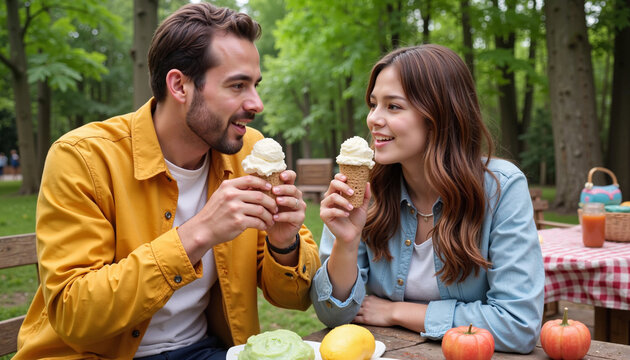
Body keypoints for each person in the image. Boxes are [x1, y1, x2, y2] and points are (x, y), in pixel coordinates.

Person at [15, 3, 320, 359]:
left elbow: (295, 299)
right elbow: (75, 314)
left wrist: (283, 245)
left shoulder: (247, 153)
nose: (257, 103)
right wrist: (198, 233)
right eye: (238, 85)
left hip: (202, 350)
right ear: (179, 85)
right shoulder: (83, 158)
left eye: (255, 85)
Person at [310, 44, 543, 353]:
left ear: (438, 115)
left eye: (393, 107)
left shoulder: (500, 188)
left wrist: (398, 312)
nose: (373, 119)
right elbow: (333, 315)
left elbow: (518, 325)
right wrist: (347, 243)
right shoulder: (365, 190)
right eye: (373, 104)